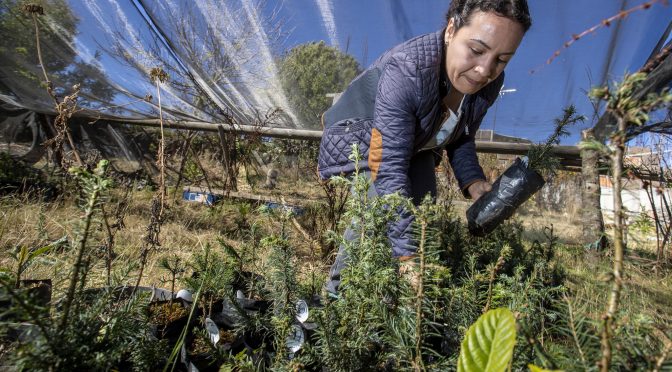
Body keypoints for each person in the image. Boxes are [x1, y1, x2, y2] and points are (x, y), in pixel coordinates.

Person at [317, 0, 532, 295]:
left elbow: (462, 134)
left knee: (423, 208)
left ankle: (390, 303)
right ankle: (336, 299)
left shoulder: (491, 83)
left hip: (414, 145)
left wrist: (474, 183)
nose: (484, 70)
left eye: (501, 59)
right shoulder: (408, 69)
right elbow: (389, 166)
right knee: (378, 210)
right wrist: (408, 258)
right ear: (451, 30)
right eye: (477, 50)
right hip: (359, 136)